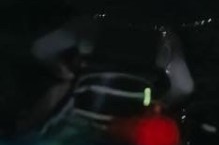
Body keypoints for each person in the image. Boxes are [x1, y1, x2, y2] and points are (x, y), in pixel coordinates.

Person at [20, 14, 195, 135]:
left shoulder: (90, 21)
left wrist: (65, 73)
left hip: (83, 113)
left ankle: (23, 134)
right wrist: (158, 101)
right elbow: (184, 87)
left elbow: (40, 49)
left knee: (57, 94)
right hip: (131, 120)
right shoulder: (165, 35)